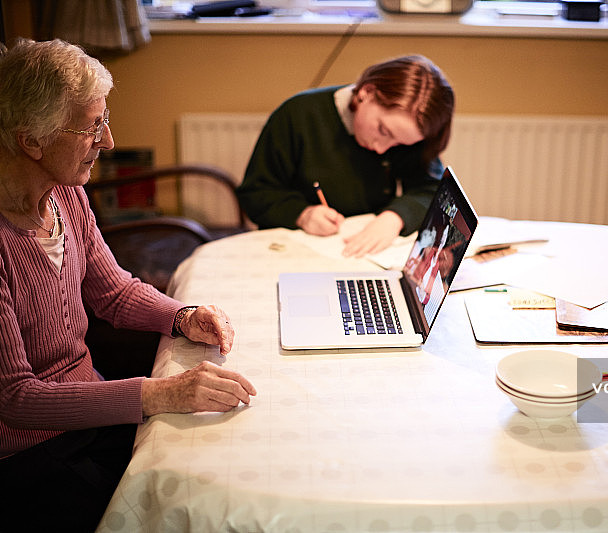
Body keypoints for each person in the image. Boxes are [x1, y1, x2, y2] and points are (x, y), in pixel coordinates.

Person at [0, 39, 256, 531]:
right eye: (92, 126)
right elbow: (16, 399)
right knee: (181, 506)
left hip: (87, 420)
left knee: (202, 465)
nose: (109, 141)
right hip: (30, 457)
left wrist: (182, 316)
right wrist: (158, 394)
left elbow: (112, 292)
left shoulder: (65, 196)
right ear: (31, 140)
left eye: (105, 118)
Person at [235, 55, 455, 257]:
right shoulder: (298, 115)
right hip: (294, 251)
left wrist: (394, 218)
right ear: (366, 93)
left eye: (399, 143)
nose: (382, 149)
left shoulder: (409, 130)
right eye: (383, 131)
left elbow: (433, 191)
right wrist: (302, 214)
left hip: (365, 254)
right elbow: (255, 194)